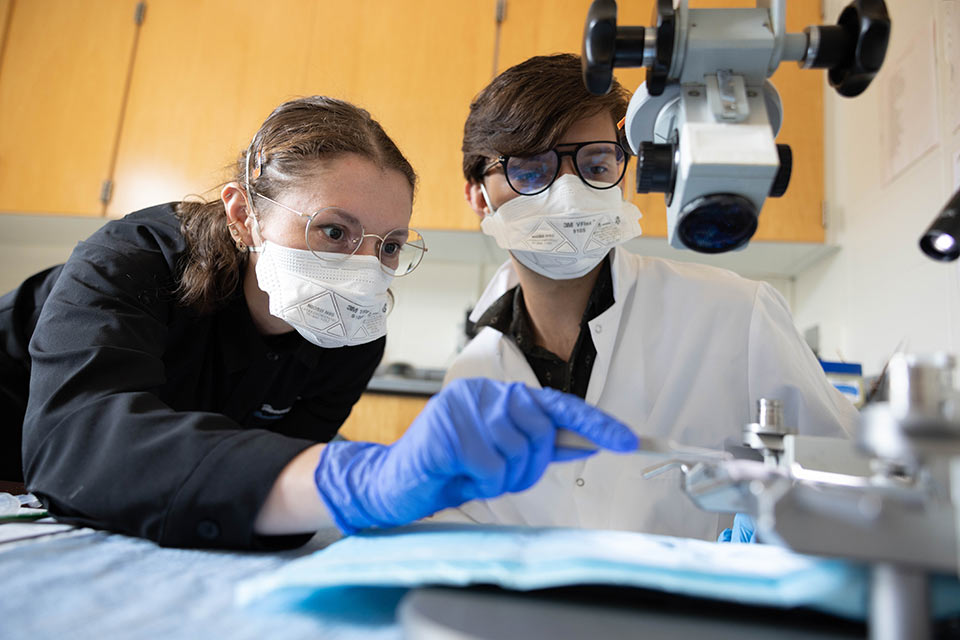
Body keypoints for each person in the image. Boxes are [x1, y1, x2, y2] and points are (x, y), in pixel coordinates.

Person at [0, 96, 638, 549]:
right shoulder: (132, 258)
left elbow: (263, 489)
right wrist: (356, 476)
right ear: (245, 216)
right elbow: (75, 447)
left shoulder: (348, 334)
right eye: (335, 231)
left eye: (388, 245)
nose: (366, 268)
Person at [439, 54, 859, 540]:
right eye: (532, 172)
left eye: (596, 165)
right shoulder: (470, 372)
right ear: (476, 194)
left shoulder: (738, 314)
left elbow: (854, 487)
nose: (571, 195)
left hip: (700, 612)